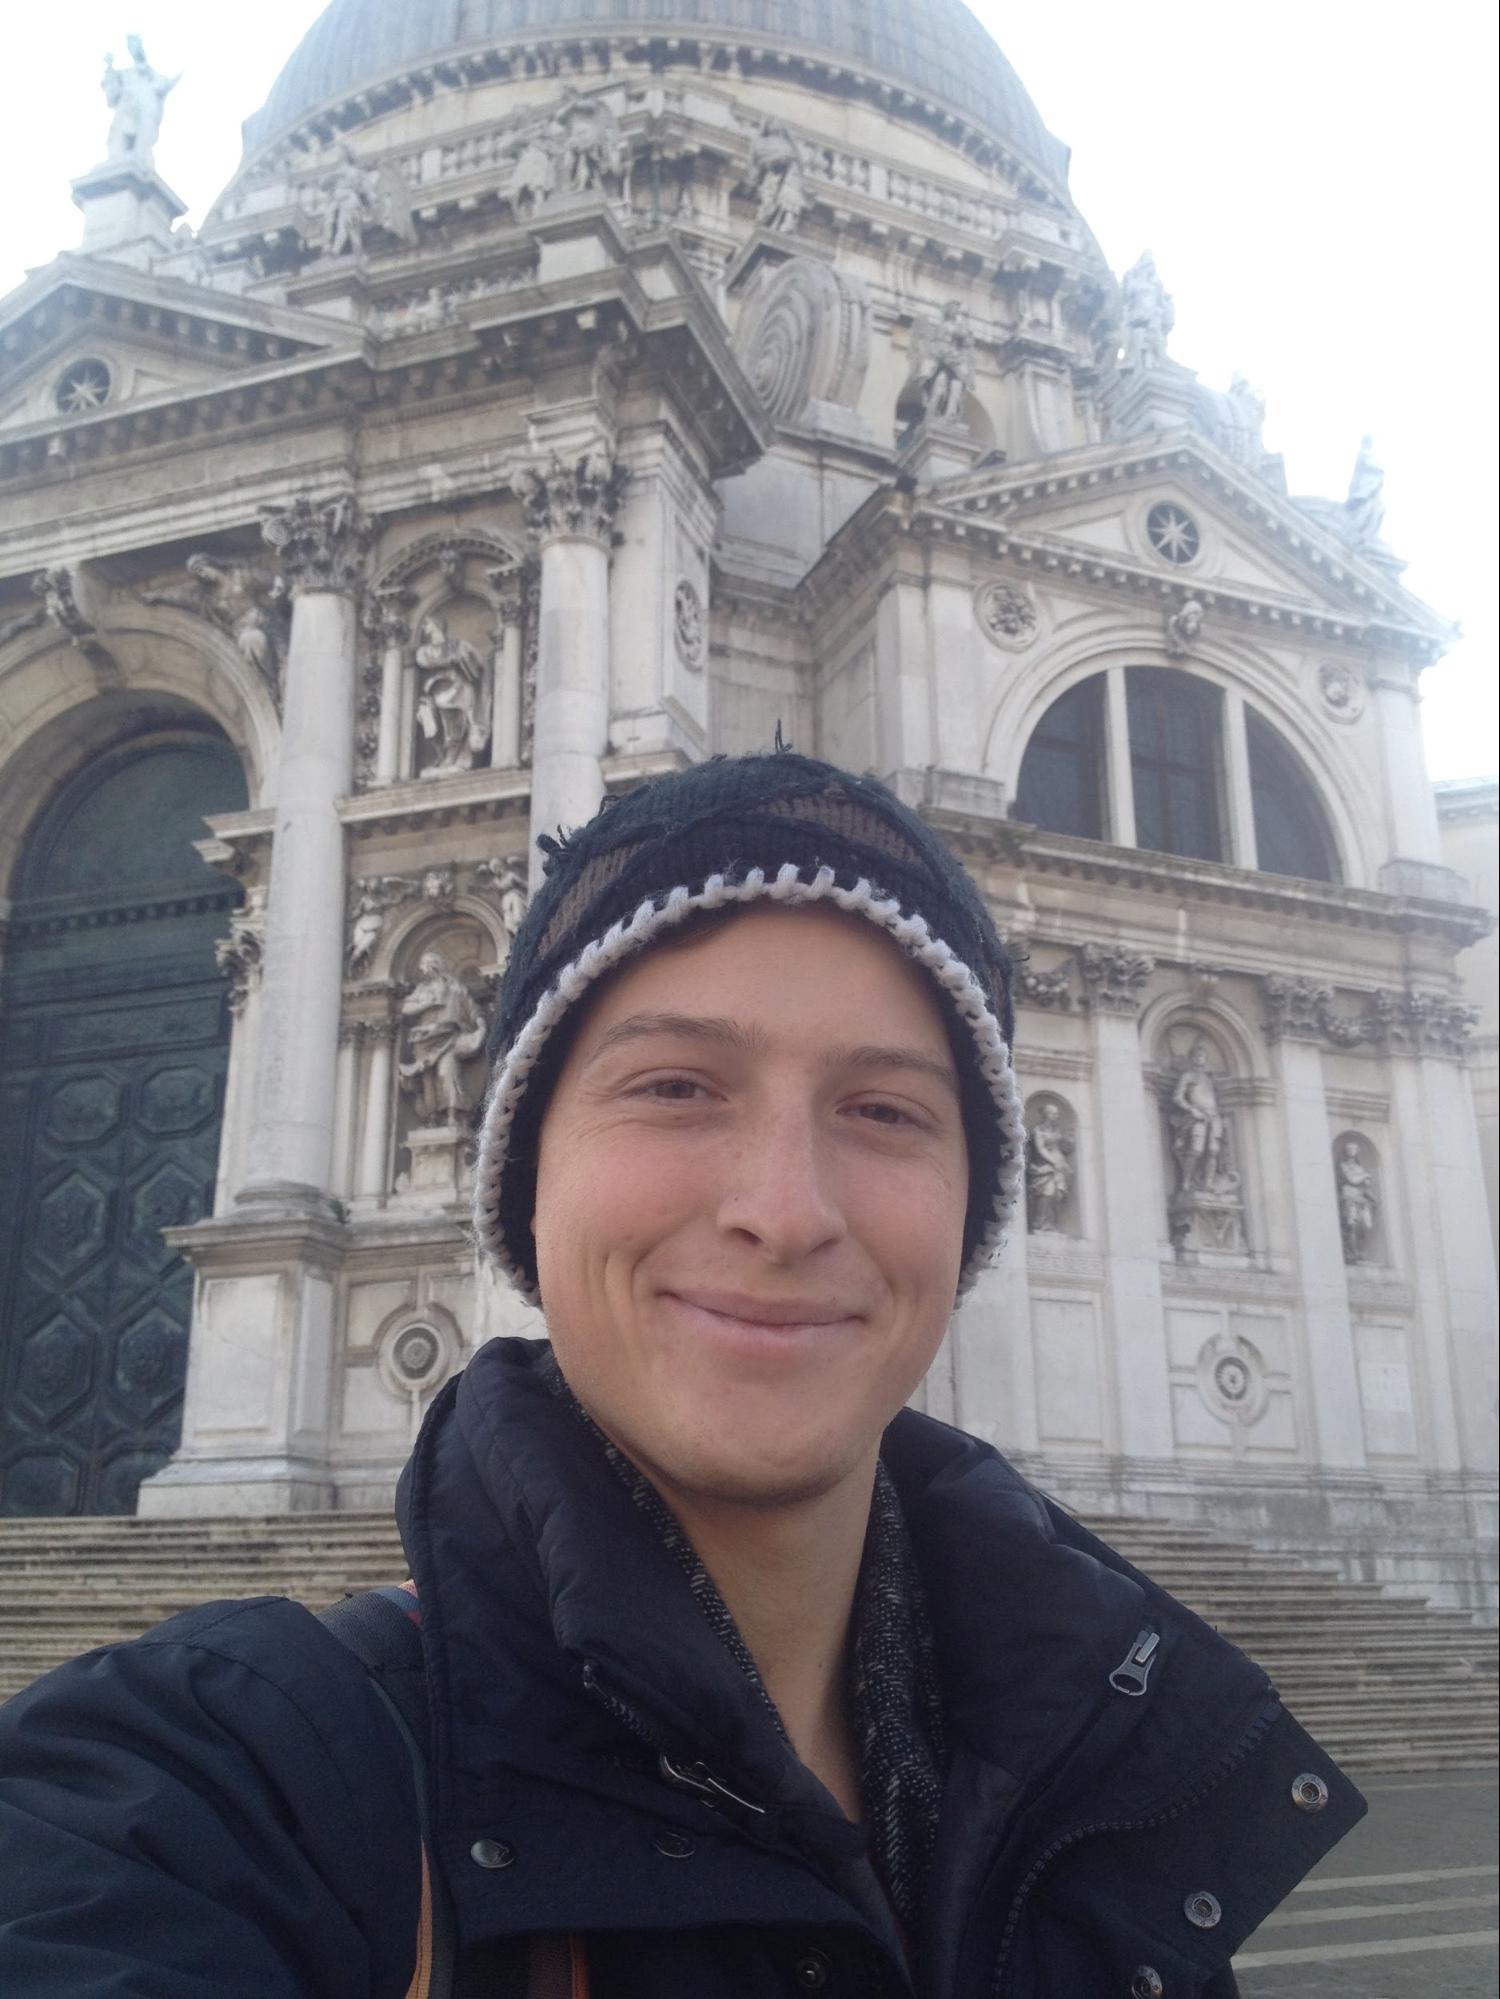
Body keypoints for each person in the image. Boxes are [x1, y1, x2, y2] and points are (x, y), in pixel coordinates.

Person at [0, 751, 1363, 1996]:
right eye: (675, 1087)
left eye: (885, 1110)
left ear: (974, 1212)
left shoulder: (1111, 1816)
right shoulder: (209, 1794)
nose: (786, 1211)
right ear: (524, 1175)